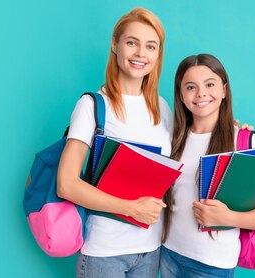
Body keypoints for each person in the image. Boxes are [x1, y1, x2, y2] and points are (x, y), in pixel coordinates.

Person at [57, 7, 170, 277]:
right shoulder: (93, 106)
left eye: (150, 46)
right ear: (115, 44)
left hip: (151, 250)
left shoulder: (163, 109)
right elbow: (66, 184)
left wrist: (235, 129)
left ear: (157, 54)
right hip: (105, 253)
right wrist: (132, 209)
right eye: (132, 42)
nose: (141, 53)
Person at [160, 54, 255, 278]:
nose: (201, 93)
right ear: (181, 96)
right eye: (190, 87)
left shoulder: (244, 141)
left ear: (224, 91)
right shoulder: (171, 138)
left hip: (211, 264)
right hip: (168, 254)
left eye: (210, 84)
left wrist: (227, 218)